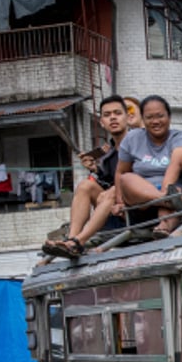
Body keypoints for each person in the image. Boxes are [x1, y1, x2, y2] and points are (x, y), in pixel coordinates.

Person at [42, 95, 130, 258]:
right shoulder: (108, 154)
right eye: (107, 115)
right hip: (112, 206)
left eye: (117, 113)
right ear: (102, 122)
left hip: (135, 204)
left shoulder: (139, 142)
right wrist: (96, 169)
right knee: (85, 185)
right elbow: (107, 180)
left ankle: (78, 241)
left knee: (111, 191)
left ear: (127, 117)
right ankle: (71, 240)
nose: (113, 118)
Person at [116, 95, 182, 237]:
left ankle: (164, 226)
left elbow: (175, 164)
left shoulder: (181, 137)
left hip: (174, 190)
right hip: (142, 201)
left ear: (169, 117)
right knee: (127, 178)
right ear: (143, 119)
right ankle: (168, 201)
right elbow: (120, 172)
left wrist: (167, 191)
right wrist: (119, 202)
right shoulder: (132, 138)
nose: (155, 121)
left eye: (160, 116)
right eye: (149, 117)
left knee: (174, 193)